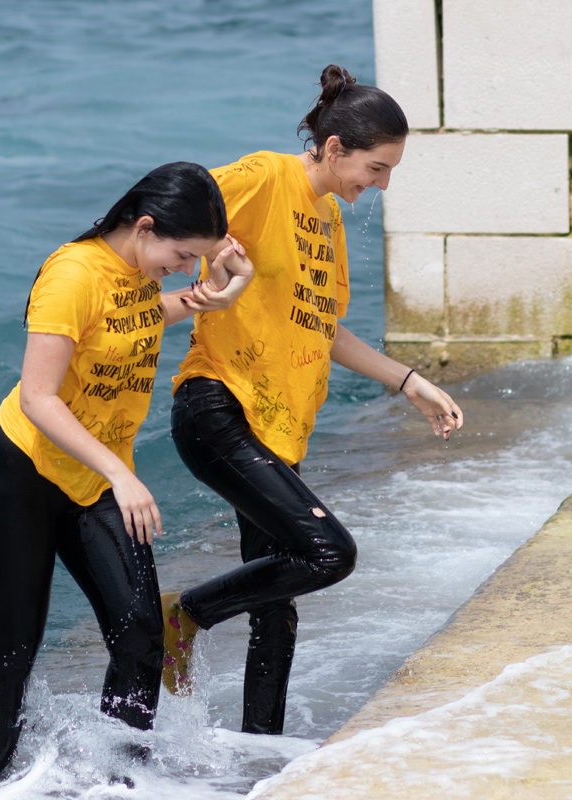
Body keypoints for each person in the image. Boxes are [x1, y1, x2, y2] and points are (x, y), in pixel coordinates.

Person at [162, 65, 464, 736]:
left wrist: (410, 383)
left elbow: (319, 330)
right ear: (334, 148)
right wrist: (200, 271)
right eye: (377, 168)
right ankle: (182, 618)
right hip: (219, 404)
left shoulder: (326, 218)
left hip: (277, 428)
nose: (382, 185)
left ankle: (255, 761)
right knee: (328, 552)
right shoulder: (265, 178)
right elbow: (162, 216)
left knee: (279, 604)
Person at [0, 161, 252, 784]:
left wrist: (213, 297)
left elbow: (136, 319)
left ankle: (122, 783)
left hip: (93, 477)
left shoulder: (136, 270)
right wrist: (121, 474)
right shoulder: (72, 274)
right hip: (21, 472)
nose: (181, 268)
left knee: (143, 635)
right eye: (180, 255)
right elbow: (39, 397)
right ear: (144, 226)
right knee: (13, 652)